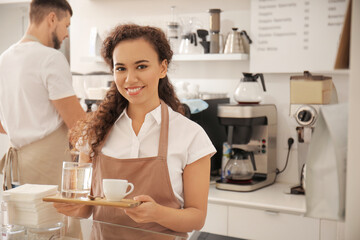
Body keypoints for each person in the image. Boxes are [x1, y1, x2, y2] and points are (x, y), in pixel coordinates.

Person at [54, 24, 216, 236]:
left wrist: (157, 213)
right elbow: (85, 209)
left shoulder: (191, 136)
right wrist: (69, 206)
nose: (130, 79)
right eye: (121, 68)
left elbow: (196, 218)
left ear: (162, 68)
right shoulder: (96, 133)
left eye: (141, 66)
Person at [0, 0, 86, 190]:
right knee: (56, 219)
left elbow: (3, 124)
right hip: (47, 167)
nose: (66, 34)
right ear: (52, 19)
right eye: (66, 26)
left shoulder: (4, 59)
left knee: (18, 219)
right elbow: (78, 123)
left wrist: (26, 127)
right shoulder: (50, 58)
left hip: (16, 169)